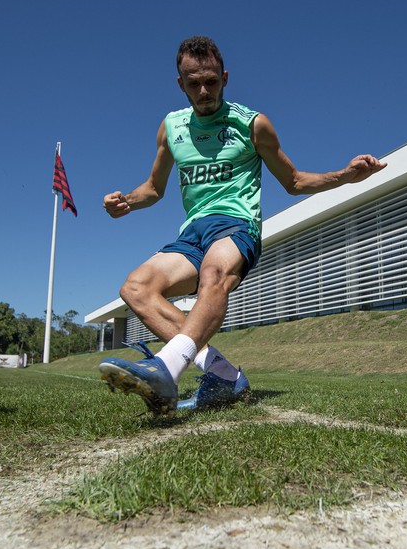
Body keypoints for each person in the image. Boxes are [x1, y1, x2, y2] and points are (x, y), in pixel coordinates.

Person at [99, 36, 386, 414]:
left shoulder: (253, 124)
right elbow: (154, 188)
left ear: (226, 78)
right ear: (179, 84)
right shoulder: (171, 128)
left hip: (236, 226)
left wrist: (345, 176)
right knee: (135, 289)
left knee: (213, 273)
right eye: (193, 82)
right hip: (193, 233)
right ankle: (224, 376)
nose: (203, 91)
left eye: (212, 81)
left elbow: (294, 181)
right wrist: (128, 203)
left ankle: (165, 370)